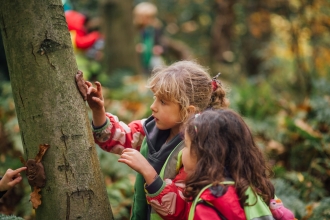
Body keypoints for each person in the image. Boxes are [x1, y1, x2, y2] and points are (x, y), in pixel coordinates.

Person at [77, 60, 229, 220]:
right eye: (155, 98)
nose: (153, 106)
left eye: (163, 102)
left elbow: (178, 208)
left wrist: (147, 171)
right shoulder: (151, 129)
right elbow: (116, 138)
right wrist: (98, 111)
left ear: (188, 111)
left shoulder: (195, 150)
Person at [126, 109, 294, 220]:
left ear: (205, 156)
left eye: (187, 147)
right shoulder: (250, 188)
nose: (182, 154)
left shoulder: (210, 201)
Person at [133, 2, 166, 75]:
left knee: (158, 66)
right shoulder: (136, 29)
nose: (146, 19)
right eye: (144, 17)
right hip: (140, 59)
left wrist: (159, 48)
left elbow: (162, 42)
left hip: (152, 56)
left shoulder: (156, 28)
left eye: (149, 17)